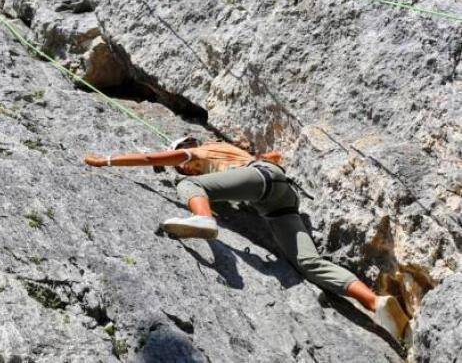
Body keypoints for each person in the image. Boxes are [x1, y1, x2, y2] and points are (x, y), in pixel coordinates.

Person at [84, 136, 411, 341]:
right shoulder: (230, 151)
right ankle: (375, 303)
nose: (184, 170)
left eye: (181, 166)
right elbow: (268, 160)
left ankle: (203, 218)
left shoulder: (194, 152)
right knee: (308, 262)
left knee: (190, 190)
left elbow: (150, 160)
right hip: (279, 196)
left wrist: (106, 161)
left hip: (260, 183)